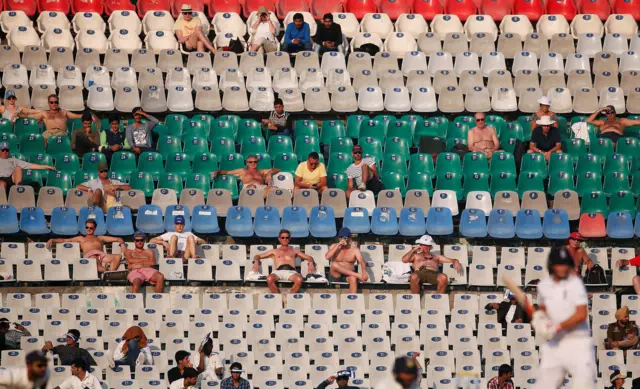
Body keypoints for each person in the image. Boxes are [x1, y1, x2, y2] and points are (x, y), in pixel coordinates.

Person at [531, 246, 595, 389]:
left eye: (564, 264)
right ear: (552, 266)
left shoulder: (575, 284)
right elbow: (544, 311)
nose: (562, 268)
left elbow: (581, 314)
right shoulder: (543, 286)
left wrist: (558, 326)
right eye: (558, 264)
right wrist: (541, 320)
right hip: (556, 343)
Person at [47, 219, 124, 273]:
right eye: (87, 227)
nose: (88, 229)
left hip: (101, 256)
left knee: (118, 257)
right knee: (95, 259)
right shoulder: (81, 238)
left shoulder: (100, 238)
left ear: (95, 229)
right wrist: (53, 240)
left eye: (91, 228)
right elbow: (65, 240)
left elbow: (118, 239)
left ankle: (110, 273)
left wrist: (122, 242)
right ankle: (105, 271)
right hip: (90, 256)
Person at [253, 229, 315, 294]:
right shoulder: (274, 251)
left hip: (291, 272)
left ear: (289, 238)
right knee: (269, 279)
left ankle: (289, 299)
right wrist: (256, 261)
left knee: (299, 280)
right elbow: (257, 256)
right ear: (279, 239)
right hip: (278, 272)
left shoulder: (294, 251)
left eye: (287, 237)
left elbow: (309, 257)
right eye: (282, 237)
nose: (285, 239)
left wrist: (310, 262)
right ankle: (279, 298)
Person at [20, 95, 85, 142]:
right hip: (48, 133)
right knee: (42, 140)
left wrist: (91, 115)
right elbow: (29, 116)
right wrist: (17, 114)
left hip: (61, 133)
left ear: (58, 103)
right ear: (48, 103)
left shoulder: (63, 112)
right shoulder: (44, 113)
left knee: (57, 139)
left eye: (55, 102)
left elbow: (78, 116)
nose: (54, 104)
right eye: (51, 102)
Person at [325, 227, 368, 293]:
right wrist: (338, 244)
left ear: (350, 238)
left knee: (353, 279)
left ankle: (352, 301)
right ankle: (357, 275)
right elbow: (327, 257)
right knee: (334, 264)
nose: (344, 239)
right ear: (339, 238)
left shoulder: (354, 249)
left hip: (348, 276)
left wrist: (364, 272)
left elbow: (362, 261)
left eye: (346, 237)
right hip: (336, 275)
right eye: (341, 237)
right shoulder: (334, 246)